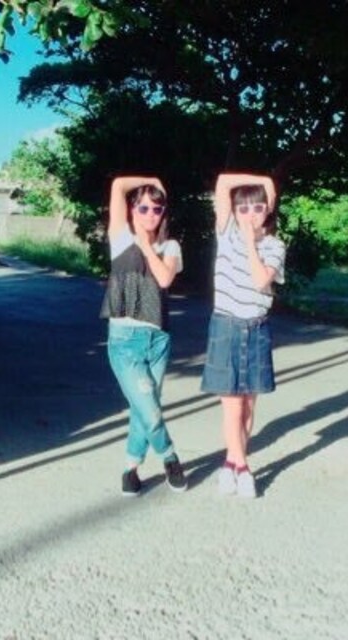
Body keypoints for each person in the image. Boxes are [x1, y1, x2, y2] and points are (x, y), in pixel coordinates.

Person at [100, 176, 188, 496]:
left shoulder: (170, 246)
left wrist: (147, 245)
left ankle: (130, 468)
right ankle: (170, 457)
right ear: (132, 209)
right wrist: (151, 181)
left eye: (157, 208)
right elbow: (118, 186)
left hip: (158, 340)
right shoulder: (120, 237)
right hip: (124, 341)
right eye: (144, 208)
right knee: (150, 409)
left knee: (144, 407)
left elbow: (164, 279)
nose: (151, 214)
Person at [200, 173, 286, 498]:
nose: (250, 214)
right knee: (232, 406)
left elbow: (261, 280)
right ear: (234, 212)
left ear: (268, 210)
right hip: (227, 325)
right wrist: (264, 180)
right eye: (244, 208)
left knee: (249, 404)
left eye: (258, 207)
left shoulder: (275, 246)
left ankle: (231, 463)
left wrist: (252, 243)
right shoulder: (226, 233)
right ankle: (242, 467)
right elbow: (223, 183)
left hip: (257, 327)